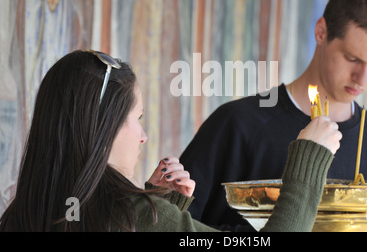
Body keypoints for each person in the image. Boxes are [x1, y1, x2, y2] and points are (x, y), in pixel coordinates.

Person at [179, 0, 367, 230]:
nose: (362, 77)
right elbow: (176, 224)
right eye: (352, 58)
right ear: (321, 32)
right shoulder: (239, 124)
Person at [0, 50, 341, 232]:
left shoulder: (21, 214)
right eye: (137, 119)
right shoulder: (132, 216)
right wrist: (308, 161)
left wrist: (159, 205)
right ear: (102, 128)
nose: (143, 136)